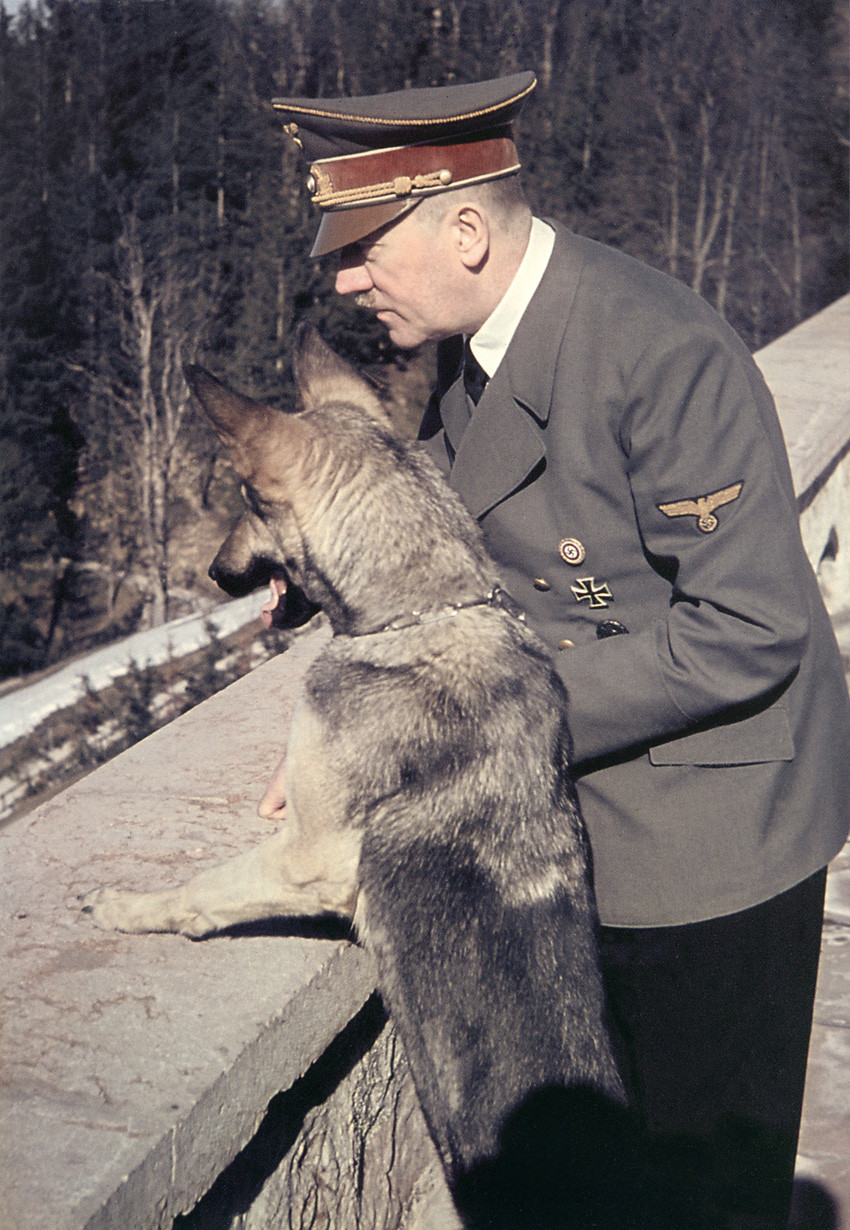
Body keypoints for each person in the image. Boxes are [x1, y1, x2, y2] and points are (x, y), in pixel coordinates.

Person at [267, 72, 850, 1228]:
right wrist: (360, 737)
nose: (343, 280)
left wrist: (463, 729)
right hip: (585, 827)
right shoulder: (471, 359)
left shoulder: (655, 351)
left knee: (704, 1201)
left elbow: (747, 629)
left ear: (468, 229)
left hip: (709, 847)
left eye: (364, 249)